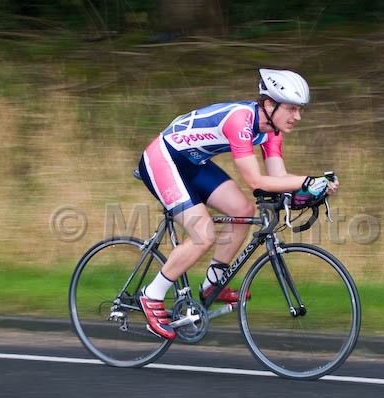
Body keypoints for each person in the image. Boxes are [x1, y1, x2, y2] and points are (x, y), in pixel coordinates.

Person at [137, 68, 339, 339]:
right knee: (203, 232)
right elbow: (256, 182)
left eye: (299, 109)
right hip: (162, 159)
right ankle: (152, 294)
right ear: (270, 105)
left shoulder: (272, 131)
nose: (297, 116)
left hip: (192, 163)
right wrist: (306, 180)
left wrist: (312, 190)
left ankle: (212, 283)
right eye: (292, 109)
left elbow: (279, 180)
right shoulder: (240, 121)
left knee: (243, 210)